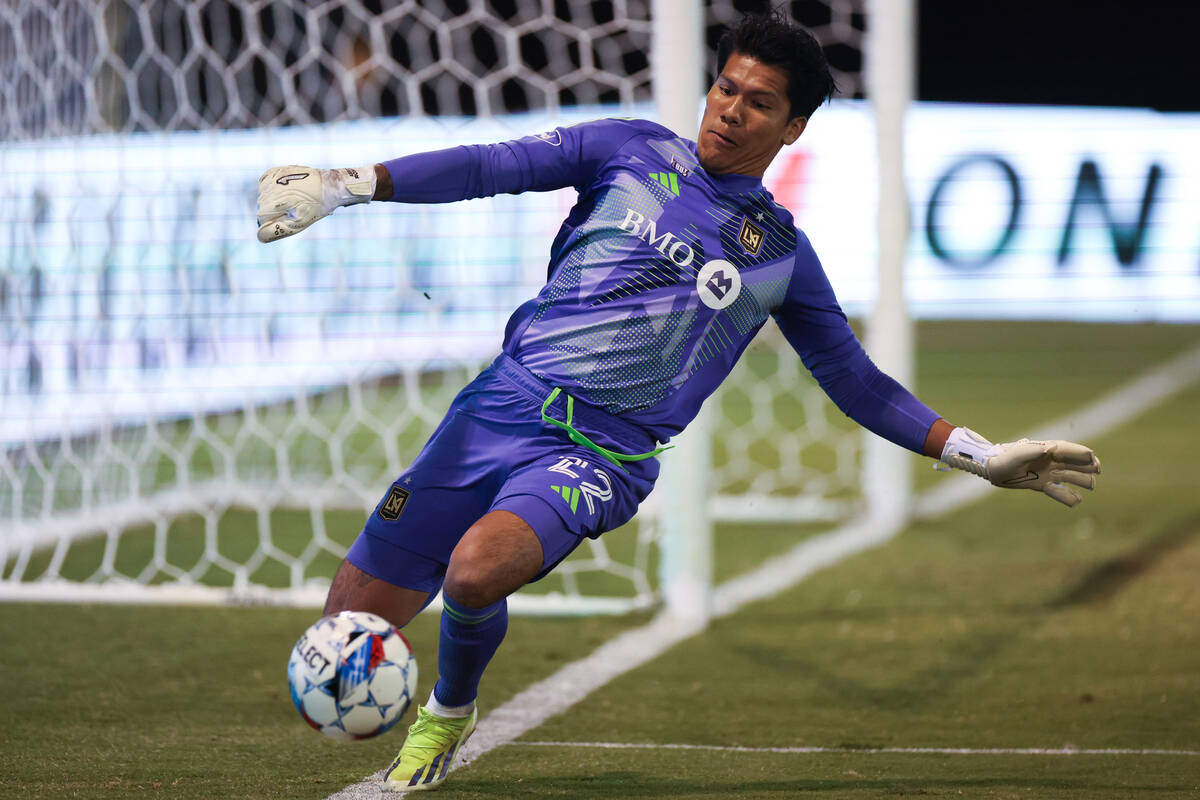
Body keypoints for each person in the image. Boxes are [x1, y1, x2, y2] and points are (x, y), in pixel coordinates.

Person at [256, 12, 1100, 793]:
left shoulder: (779, 257)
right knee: (345, 637)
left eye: (758, 102)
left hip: (600, 453)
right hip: (499, 406)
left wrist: (978, 453)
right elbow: (492, 165)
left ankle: (448, 713)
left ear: (791, 127)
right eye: (726, 87)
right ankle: (413, 695)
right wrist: (346, 183)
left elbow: (856, 381)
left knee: (477, 572)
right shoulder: (628, 149)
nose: (731, 110)